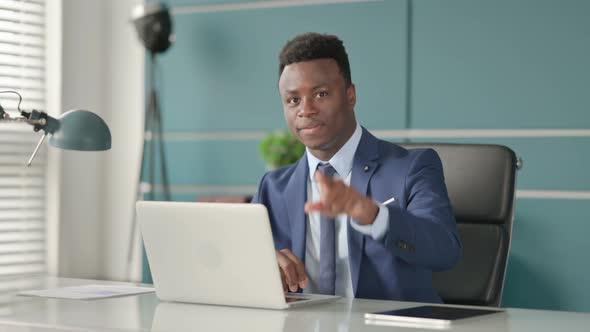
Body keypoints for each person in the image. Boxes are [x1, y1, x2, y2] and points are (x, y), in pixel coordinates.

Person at [252, 32, 461, 303]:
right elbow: (245, 269)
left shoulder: (412, 167)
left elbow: (445, 250)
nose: (306, 110)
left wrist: (373, 215)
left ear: (350, 95)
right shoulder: (273, 187)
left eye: (321, 94)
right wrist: (264, 265)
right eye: (293, 100)